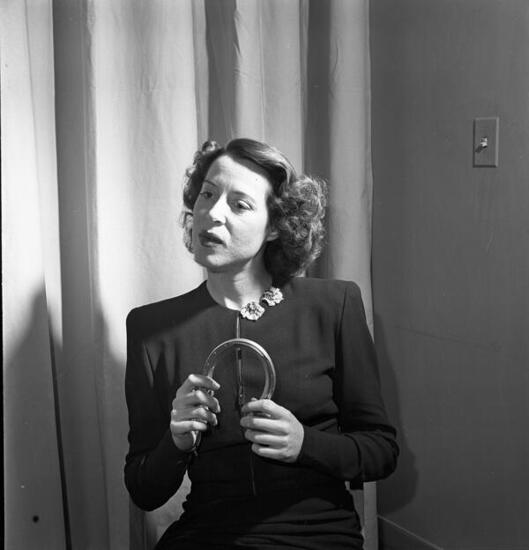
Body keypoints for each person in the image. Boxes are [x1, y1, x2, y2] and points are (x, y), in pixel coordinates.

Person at [124, 138, 398, 549]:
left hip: (316, 533)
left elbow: (381, 451)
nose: (212, 213)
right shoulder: (152, 329)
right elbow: (144, 490)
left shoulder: (334, 305)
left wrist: (305, 444)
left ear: (275, 226)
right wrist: (175, 441)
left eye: (239, 204)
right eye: (207, 195)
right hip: (208, 534)